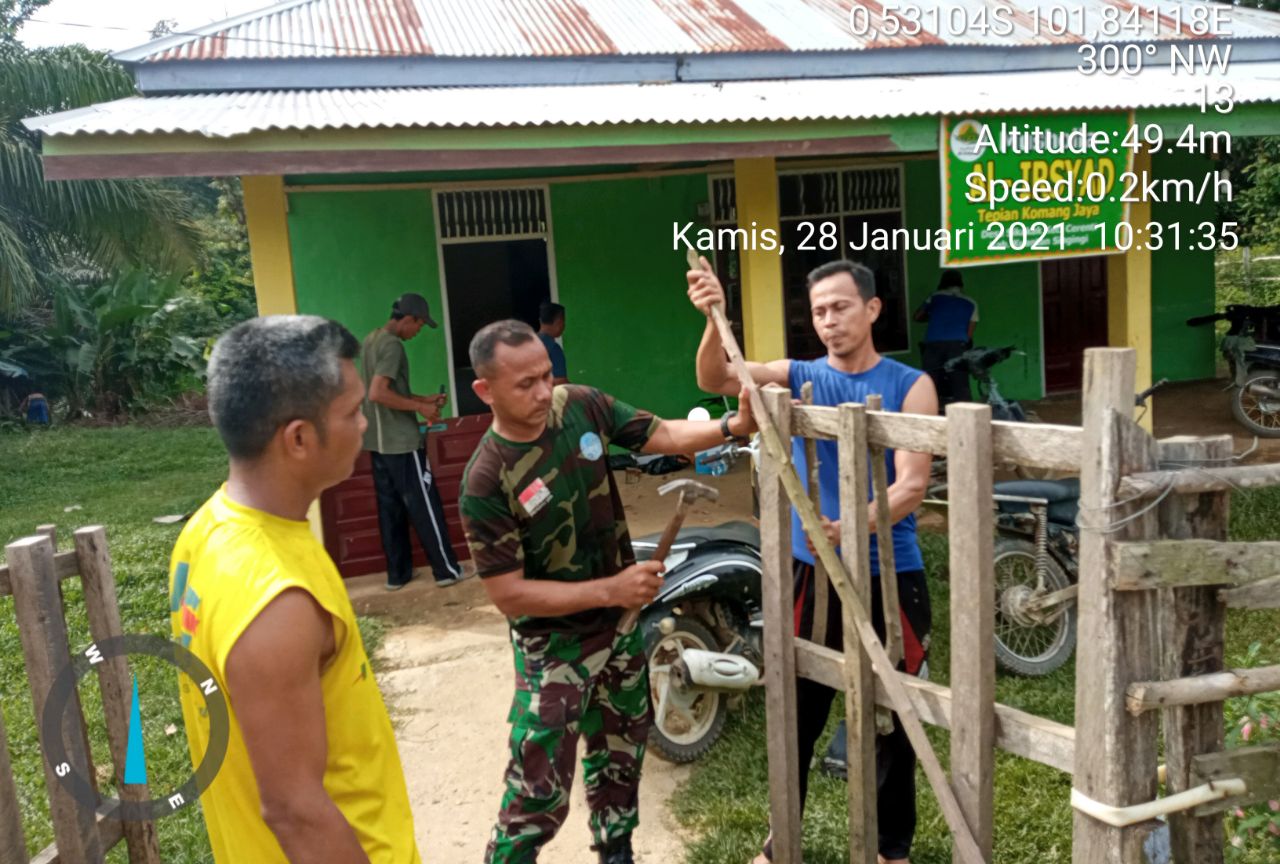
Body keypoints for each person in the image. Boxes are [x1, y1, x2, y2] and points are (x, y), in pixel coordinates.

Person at [459, 319, 757, 864]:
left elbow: (660, 435)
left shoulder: (580, 407)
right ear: (485, 390)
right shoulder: (487, 479)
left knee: (621, 751)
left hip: (620, 635)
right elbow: (509, 594)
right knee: (538, 785)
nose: (544, 391)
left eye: (547, 375)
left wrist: (731, 428)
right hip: (554, 650)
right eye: (525, 384)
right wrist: (613, 588)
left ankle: (616, 851)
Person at [687, 259, 937, 864]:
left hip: (889, 573)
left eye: (841, 307)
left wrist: (854, 525)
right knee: (798, 712)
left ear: (872, 310)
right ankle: (781, 846)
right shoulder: (799, 373)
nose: (828, 321)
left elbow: (912, 485)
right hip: (811, 572)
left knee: (895, 714)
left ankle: (891, 850)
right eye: (819, 311)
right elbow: (719, 377)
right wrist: (710, 317)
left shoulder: (912, 385)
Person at [168, 316, 420, 864]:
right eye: (353, 412)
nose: (364, 423)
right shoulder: (276, 603)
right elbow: (294, 811)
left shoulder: (206, 531)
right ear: (300, 438)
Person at [362, 292, 466, 591]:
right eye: (419, 325)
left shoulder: (372, 340)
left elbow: (386, 392)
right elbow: (378, 393)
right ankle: (447, 570)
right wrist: (421, 408)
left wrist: (423, 398)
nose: (418, 331)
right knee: (425, 504)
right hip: (402, 443)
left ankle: (398, 574)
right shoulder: (393, 345)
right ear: (408, 319)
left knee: (390, 509)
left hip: (378, 442)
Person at [914, 269, 979, 408]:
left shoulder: (935, 297)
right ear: (961, 284)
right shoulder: (971, 302)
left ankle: (929, 413)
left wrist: (932, 317)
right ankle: (967, 416)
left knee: (930, 381)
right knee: (960, 382)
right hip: (958, 345)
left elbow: (917, 316)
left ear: (942, 282)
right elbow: (969, 333)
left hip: (934, 344)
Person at [537, 301, 569, 385]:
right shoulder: (553, 348)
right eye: (563, 321)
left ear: (540, 321)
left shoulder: (528, 343)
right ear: (559, 322)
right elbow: (561, 383)